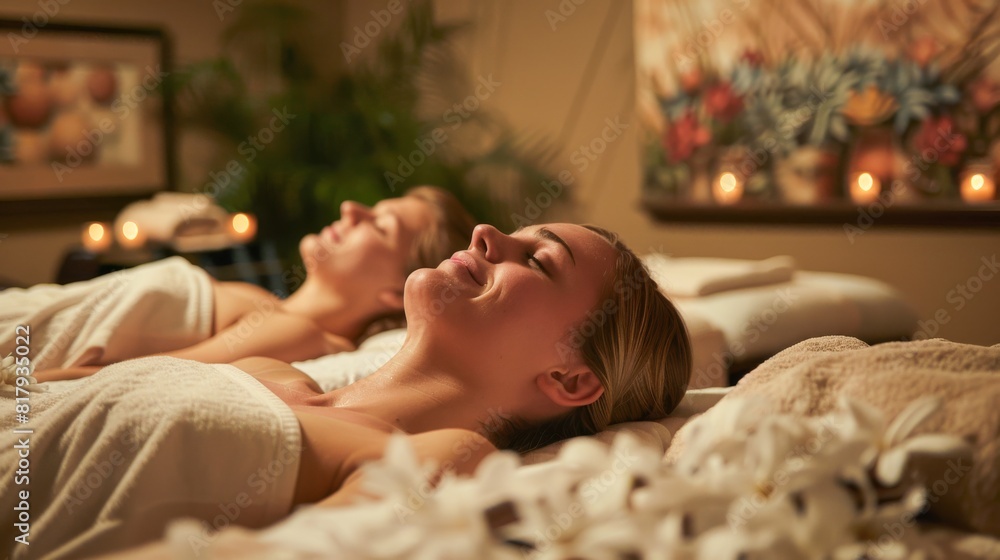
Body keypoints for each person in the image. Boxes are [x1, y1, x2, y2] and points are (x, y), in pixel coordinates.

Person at [0, 222, 692, 559]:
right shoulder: (272, 372)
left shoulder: (440, 453)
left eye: (538, 260)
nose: (488, 233)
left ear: (571, 378)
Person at [17, 186, 476, 381]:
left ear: (398, 293)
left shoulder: (303, 334)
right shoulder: (271, 308)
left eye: (379, 224)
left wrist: (16, 386)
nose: (352, 207)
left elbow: (117, 380)